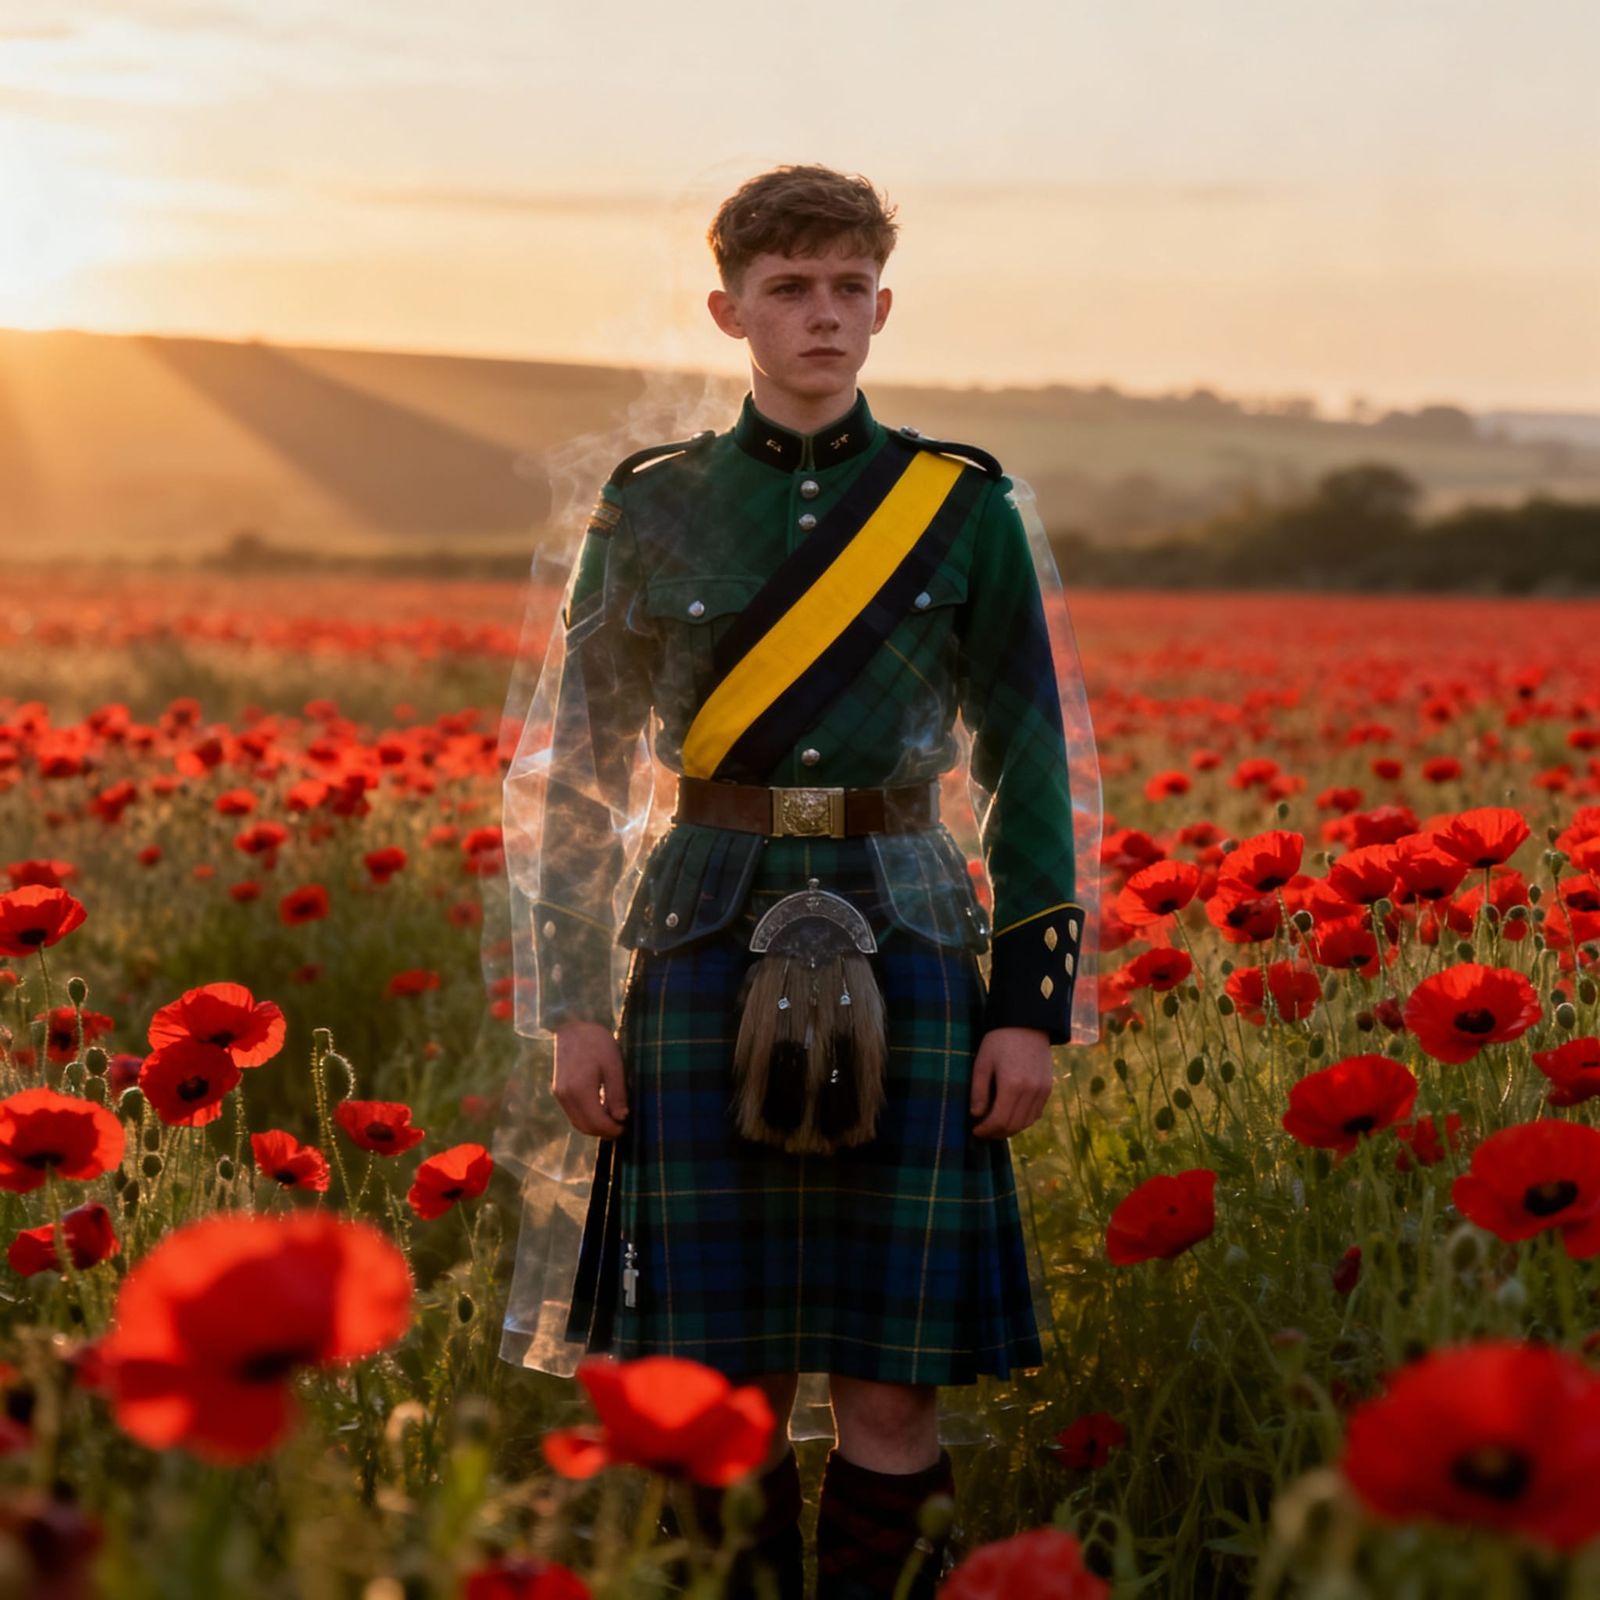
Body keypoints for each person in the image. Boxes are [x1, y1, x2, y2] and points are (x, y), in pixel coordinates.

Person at [498, 164, 1102, 1600]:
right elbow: (578, 774)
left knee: (895, 1390)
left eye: (847, 288)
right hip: (702, 921)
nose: (822, 315)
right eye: (788, 289)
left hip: (913, 923)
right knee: (725, 1384)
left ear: (884, 307)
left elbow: (1029, 761)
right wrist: (573, 1006)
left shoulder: (960, 506)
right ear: (730, 312)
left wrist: (1031, 1007)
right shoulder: (652, 505)